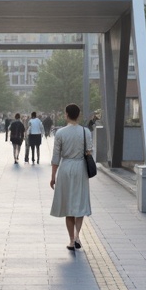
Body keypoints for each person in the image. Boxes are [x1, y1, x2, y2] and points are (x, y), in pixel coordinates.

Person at [49, 103, 92, 250]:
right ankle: (77, 235)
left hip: (66, 167)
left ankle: (72, 240)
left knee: (68, 205)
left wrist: (53, 176)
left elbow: (56, 157)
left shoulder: (60, 133)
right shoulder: (86, 132)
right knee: (79, 202)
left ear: (66, 114)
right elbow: (89, 152)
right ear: (79, 115)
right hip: (80, 167)